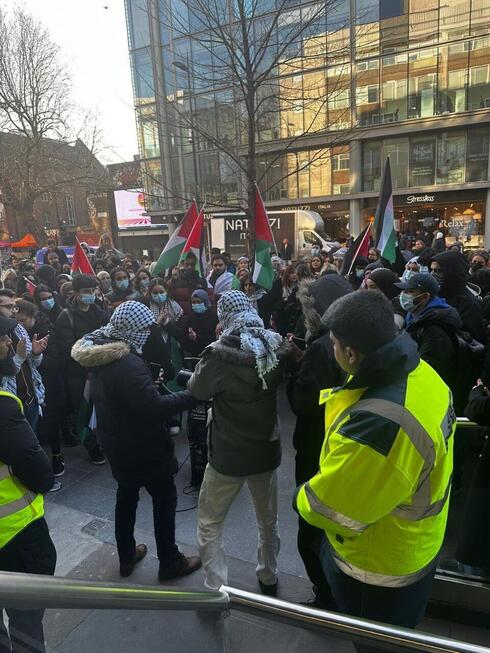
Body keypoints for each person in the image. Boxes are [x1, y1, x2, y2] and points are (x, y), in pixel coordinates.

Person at [295, 291, 454, 636]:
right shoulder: (421, 373)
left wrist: (301, 496)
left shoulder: (380, 422)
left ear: (350, 353)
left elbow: (328, 506)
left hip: (377, 568)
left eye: (333, 344)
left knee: (376, 641)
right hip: (416, 544)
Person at [71, 302, 201, 580]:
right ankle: (170, 561)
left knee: (126, 498)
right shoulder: (127, 362)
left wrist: (146, 386)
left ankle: (127, 556)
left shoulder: (102, 353)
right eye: (144, 328)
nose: (147, 333)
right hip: (145, 446)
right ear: (132, 329)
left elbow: (124, 396)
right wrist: (193, 396)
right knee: (164, 501)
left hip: (118, 443)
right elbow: (154, 407)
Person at [188, 291, 288, 595]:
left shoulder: (218, 354)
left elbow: (197, 390)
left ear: (223, 317)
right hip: (264, 448)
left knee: (210, 520)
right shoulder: (275, 344)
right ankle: (268, 574)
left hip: (227, 452)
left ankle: (215, 584)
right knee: (267, 519)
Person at [288, 275, 352, 607]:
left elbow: (305, 403)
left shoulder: (322, 347)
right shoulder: (355, 338)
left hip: (317, 449)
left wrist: (295, 368)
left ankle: (326, 597)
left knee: (311, 531)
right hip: (346, 446)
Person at [0, 315, 57, 653]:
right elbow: (41, 474)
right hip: (16, 536)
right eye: (2, 337)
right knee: (25, 620)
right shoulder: (4, 408)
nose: (8, 342)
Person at [55, 274, 108, 463]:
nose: (91, 295)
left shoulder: (99, 310)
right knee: (83, 409)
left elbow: (109, 334)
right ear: (76, 293)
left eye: (93, 291)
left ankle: (106, 441)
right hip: (78, 372)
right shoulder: (66, 316)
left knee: (104, 407)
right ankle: (92, 446)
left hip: (101, 368)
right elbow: (69, 347)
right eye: (86, 292)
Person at [0, 289, 47, 431]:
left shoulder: (17, 328)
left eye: (14, 307)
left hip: (30, 398)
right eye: (8, 307)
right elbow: (4, 376)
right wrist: (19, 358)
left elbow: (33, 365)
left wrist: (35, 353)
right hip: (9, 403)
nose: (14, 311)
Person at [431, 250, 484, 343]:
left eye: (438, 271)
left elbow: (473, 343)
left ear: (453, 272)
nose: (432, 274)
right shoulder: (436, 294)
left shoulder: (469, 304)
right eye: (431, 270)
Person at [175, 289, 218, 357]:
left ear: (205, 302)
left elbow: (215, 337)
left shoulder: (213, 317)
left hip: (210, 354)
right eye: (194, 302)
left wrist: (198, 337)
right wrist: (190, 337)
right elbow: (184, 335)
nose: (196, 304)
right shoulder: (190, 317)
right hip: (194, 354)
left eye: (199, 302)